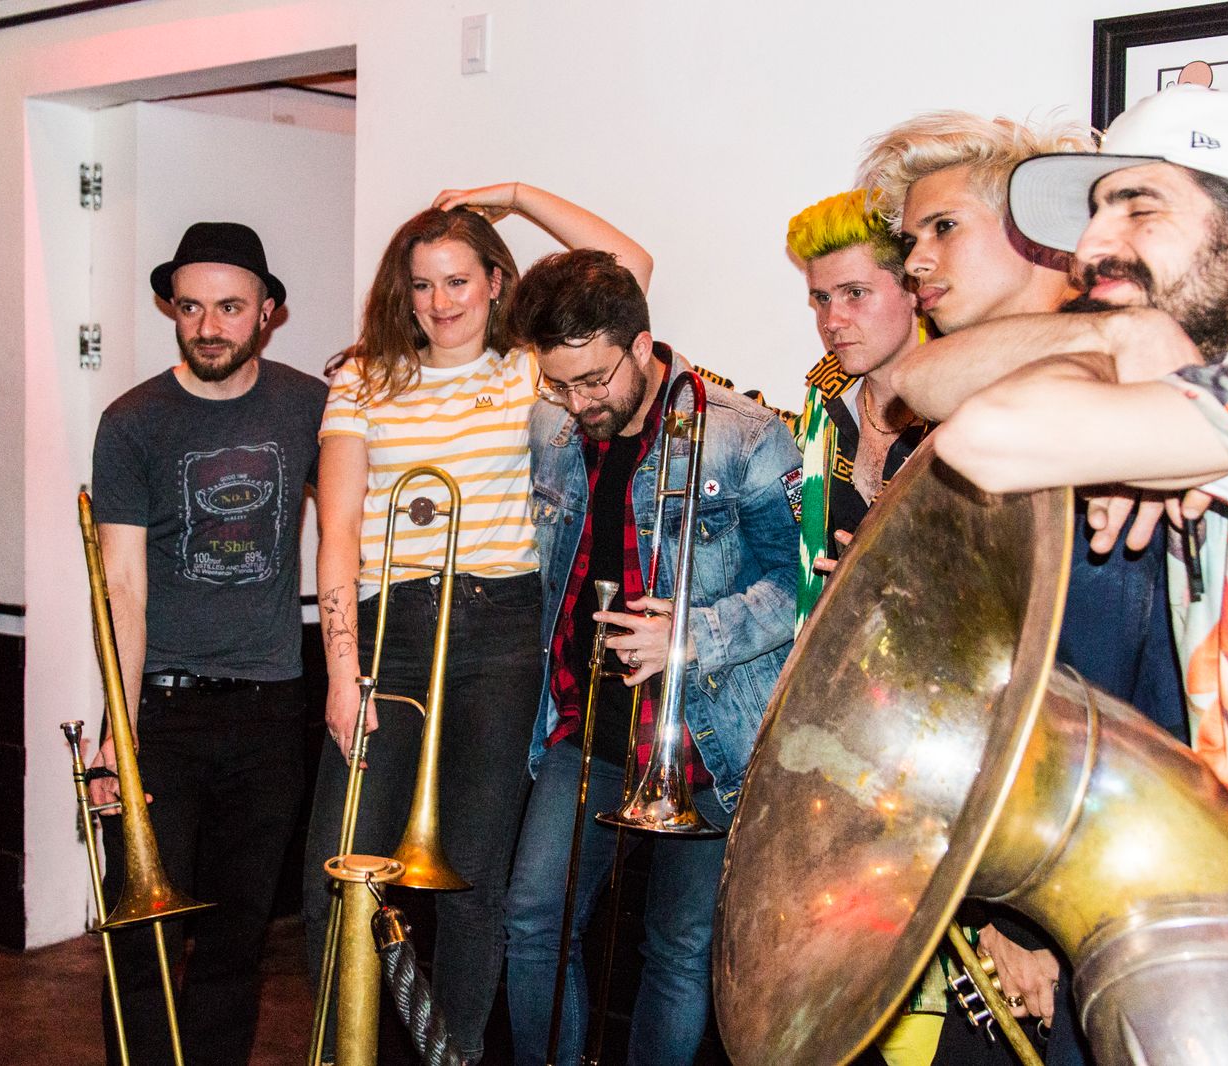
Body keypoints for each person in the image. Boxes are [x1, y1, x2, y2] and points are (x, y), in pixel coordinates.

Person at [927, 83, 1228, 1045]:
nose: (1091, 245)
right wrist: (1130, 357)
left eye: (1138, 207)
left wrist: (1120, 342)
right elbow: (923, 383)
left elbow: (988, 437)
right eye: (1095, 212)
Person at [859, 110, 1185, 1066]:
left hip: (1110, 884)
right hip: (1015, 875)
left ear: (1039, 234)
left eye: (943, 227)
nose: (917, 259)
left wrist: (1033, 913)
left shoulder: (1120, 381)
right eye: (910, 239)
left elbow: (1112, 691)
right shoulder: (1020, 393)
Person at [300, 183, 652, 1063]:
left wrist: (516, 197)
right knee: (335, 871)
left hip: (500, 634)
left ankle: (449, 1056)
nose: (439, 302)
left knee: (472, 882)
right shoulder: (362, 378)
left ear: (497, 282)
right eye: (421, 284)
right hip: (387, 633)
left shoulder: (527, 368)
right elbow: (337, 529)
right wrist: (342, 673)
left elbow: (630, 271)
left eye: (458, 280)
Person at [502, 248, 801, 1066]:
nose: (578, 403)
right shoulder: (554, 428)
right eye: (558, 384)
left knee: (678, 949)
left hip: (706, 736)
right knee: (532, 921)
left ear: (641, 346)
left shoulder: (744, 436)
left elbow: (799, 586)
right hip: (588, 727)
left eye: (594, 380)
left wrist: (693, 632)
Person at [88, 221, 326, 1066]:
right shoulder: (132, 422)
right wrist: (119, 729)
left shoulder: (310, 406)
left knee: (236, 938)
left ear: (267, 312)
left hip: (271, 710)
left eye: (229, 307)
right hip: (164, 710)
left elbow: (354, 521)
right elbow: (121, 587)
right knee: (141, 939)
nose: (208, 326)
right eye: (190, 307)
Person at [782, 188, 942, 1066]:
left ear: (914, 289)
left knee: (929, 976)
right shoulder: (823, 414)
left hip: (941, 732)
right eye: (819, 298)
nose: (832, 319)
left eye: (854, 294)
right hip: (844, 733)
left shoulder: (968, 414)